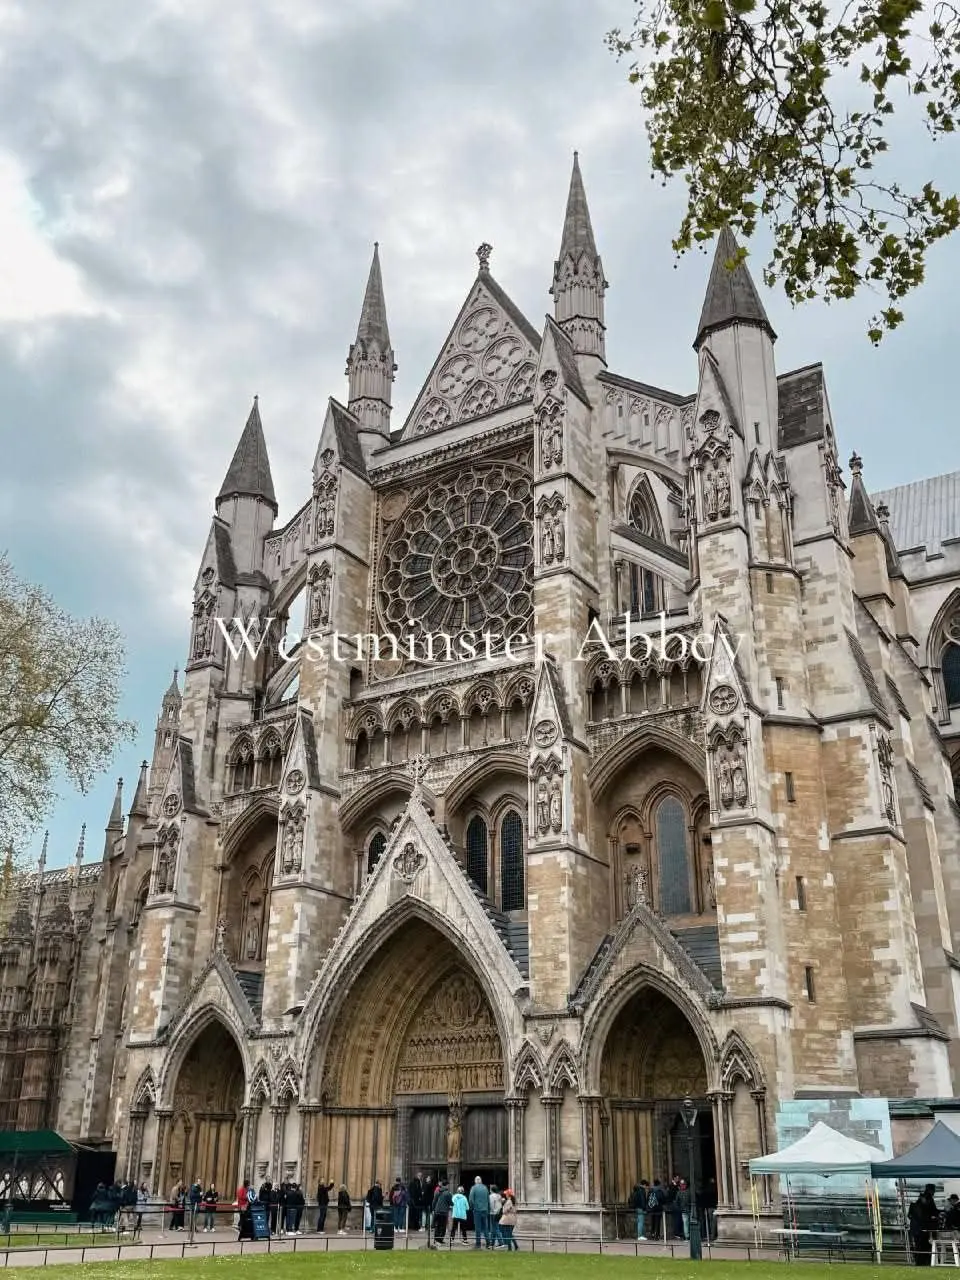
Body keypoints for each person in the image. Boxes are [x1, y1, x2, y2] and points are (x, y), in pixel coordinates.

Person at [909, 1185, 940, 1266]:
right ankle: (923, 1262)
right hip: (923, 1228)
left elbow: (911, 1215)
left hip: (916, 1228)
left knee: (919, 1245)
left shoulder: (918, 1203)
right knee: (923, 1245)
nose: (934, 1192)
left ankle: (920, 1262)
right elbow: (933, 1212)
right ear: (931, 1190)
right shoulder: (928, 1199)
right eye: (933, 1190)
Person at [468, 1175, 491, 1249]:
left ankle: (478, 1244)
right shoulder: (485, 1188)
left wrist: (472, 1207)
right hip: (485, 1210)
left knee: (478, 1227)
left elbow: (471, 1199)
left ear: (475, 1181)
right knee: (485, 1227)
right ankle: (488, 1243)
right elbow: (488, 1199)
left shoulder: (473, 1188)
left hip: (477, 1210)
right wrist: (488, 1209)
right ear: (481, 1181)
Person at [432, 1182, 453, 1247]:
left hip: (437, 1211)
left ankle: (436, 1240)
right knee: (442, 1227)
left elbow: (434, 1201)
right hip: (443, 1212)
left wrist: (433, 1209)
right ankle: (439, 1240)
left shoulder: (437, 1192)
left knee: (437, 1226)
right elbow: (451, 1203)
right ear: (446, 1185)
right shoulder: (448, 1193)